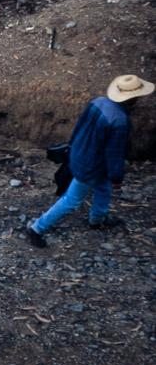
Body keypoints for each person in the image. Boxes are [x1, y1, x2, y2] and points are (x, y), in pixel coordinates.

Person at [25, 74, 154, 248]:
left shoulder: (97, 102)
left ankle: (97, 219)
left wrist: (73, 147)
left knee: (103, 188)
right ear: (132, 99)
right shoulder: (120, 121)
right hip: (92, 165)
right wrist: (117, 177)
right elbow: (114, 154)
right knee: (71, 201)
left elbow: (79, 127)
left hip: (80, 154)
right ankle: (37, 228)